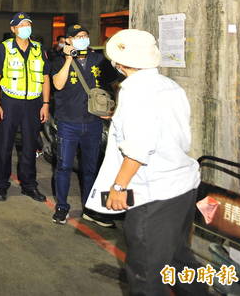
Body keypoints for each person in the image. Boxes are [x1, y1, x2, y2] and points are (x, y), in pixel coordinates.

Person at [86, 29, 204, 296]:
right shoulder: (169, 85)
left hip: (153, 194)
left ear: (120, 63)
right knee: (178, 260)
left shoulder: (135, 92)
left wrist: (119, 187)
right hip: (181, 187)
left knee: (146, 274)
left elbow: (139, 149)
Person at [50, 24, 115, 226]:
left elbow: (113, 83)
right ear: (68, 40)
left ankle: (90, 207)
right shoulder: (58, 60)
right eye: (78, 36)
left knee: (90, 168)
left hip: (93, 123)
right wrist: (69, 58)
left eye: (85, 35)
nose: (82, 39)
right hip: (68, 123)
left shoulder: (98, 59)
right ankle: (62, 207)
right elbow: (58, 84)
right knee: (64, 166)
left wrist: (111, 108)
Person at [0, 12, 51, 202]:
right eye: (21, 25)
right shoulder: (4, 48)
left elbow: (45, 77)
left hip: (33, 103)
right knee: (5, 144)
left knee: (30, 146)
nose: (26, 28)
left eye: (28, 24)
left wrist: (46, 104)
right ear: (13, 29)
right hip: (10, 101)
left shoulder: (38, 49)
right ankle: (1, 185)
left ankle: (29, 185)